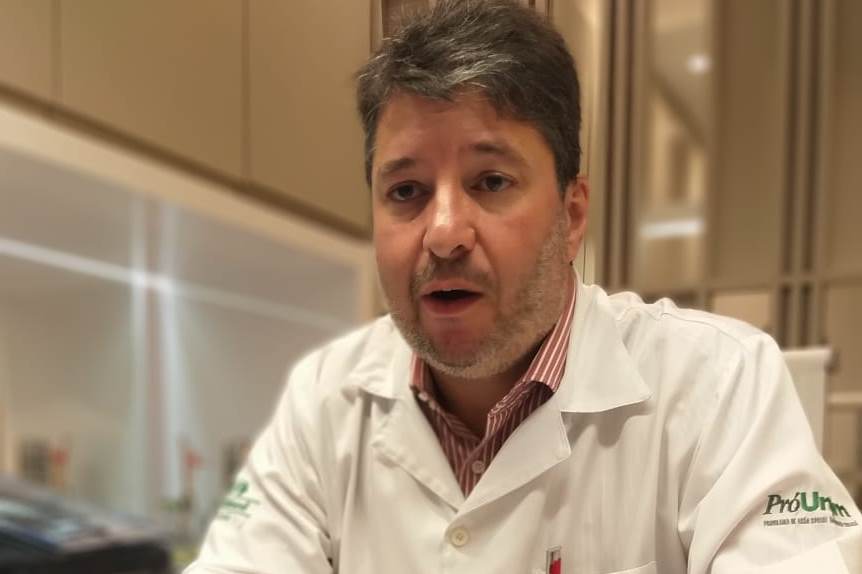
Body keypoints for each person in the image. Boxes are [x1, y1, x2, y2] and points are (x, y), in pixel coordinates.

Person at [185, 1, 861, 572]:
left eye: (491, 182)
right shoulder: (324, 399)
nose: (444, 233)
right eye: (406, 191)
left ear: (572, 216)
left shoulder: (717, 384)